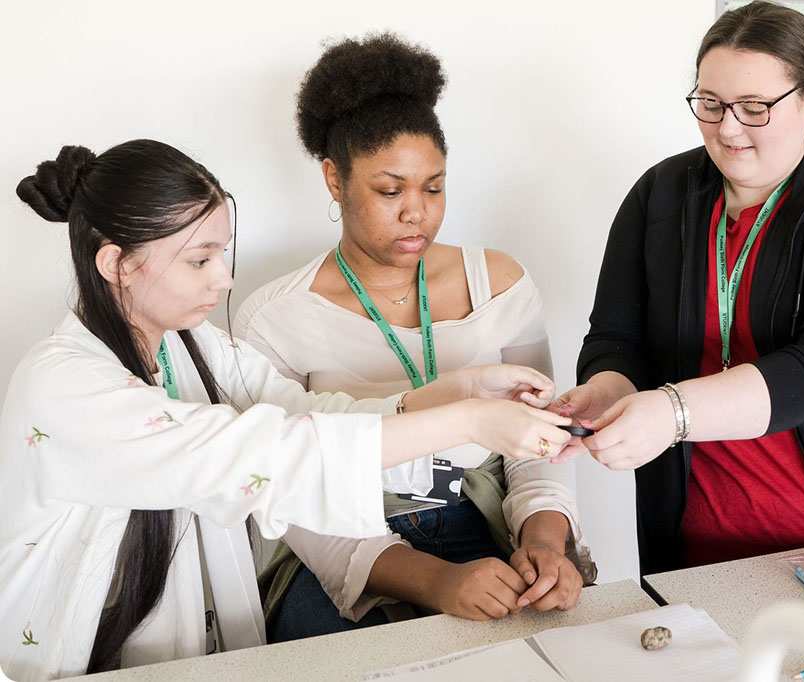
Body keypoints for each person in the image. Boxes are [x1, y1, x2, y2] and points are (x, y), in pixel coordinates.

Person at [0, 140, 571, 681]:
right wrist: (466, 423)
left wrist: (456, 391)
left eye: (220, 254)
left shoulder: (188, 346)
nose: (223, 280)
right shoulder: (64, 386)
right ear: (116, 264)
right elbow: (263, 453)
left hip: (190, 653)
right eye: (199, 260)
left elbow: (304, 412)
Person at [556, 0, 804, 575]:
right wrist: (607, 391)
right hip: (694, 539)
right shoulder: (661, 194)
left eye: (754, 107)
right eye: (710, 104)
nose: (728, 127)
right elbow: (616, 336)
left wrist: (672, 413)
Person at [235, 32, 593, 641]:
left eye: (434, 187)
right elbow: (291, 490)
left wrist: (543, 538)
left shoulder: (499, 284)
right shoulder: (274, 317)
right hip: (345, 544)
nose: (417, 213)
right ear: (334, 178)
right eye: (389, 190)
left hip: (488, 523)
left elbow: (541, 445)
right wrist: (435, 581)